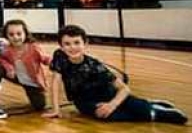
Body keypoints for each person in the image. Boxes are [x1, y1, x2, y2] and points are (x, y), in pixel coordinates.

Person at [43, 25, 187, 124]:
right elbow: (56, 81)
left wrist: (112, 104)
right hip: (84, 102)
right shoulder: (59, 56)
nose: (72, 47)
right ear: (61, 46)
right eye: (67, 44)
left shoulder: (95, 66)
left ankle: (156, 112)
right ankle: (147, 106)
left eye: (76, 43)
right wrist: (56, 109)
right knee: (105, 115)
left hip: (109, 95)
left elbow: (124, 89)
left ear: (85, 43)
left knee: (129, 107)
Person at [0, 19, 51, 112]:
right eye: (11, 34)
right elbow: (1, 58)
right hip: (17, 77)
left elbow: (46, 58)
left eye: (19, 34)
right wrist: (9, 68)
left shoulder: (33, 48)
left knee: (39, 106)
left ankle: (37, 92)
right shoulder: (7, 49)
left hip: (32, 82)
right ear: (6, 36)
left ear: (25, 34)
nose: (15, 37)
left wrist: (57, 63)